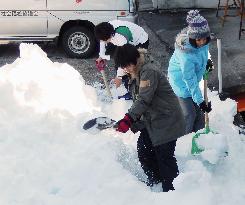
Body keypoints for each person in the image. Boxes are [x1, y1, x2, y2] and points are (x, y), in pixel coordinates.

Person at [114, 44, 185, 192]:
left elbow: (144, 99)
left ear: (135, 59)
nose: (126, 69)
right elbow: (139, 100)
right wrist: (132, 121)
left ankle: (173, 191)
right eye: (124, 66)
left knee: (164, 156)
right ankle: (157, 181)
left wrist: (129, 119)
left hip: (166, 119)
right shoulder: (135, 71)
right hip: (152, 119)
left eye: (127, 65)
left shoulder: (148, 72)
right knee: (144, 151)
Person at [168, 10, 213, 134]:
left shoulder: (203, 43)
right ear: (192, 38)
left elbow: (204, 54)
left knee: (199, 115)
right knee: (189, 114)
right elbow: (190, 81)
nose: (202, 42)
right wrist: (201, 102)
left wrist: (207, 63)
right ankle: (185, 138)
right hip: (181, 83)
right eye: (198, 40)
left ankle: (199, 134)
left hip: (191, 79)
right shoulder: (186, 55)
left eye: (204, 39)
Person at [94, 20, 149, 88]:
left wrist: (119, 77)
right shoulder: (105, 28)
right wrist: (101, 55)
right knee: (120, 65)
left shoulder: (121, 38)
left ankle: (136, 88)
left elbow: (125, 58)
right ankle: (127, 84)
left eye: (105, 40)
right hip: (126, 40)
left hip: (140, 41)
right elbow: (102, 40)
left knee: (134, 67)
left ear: (110, 36)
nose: (104, 42)